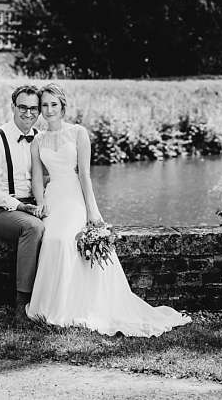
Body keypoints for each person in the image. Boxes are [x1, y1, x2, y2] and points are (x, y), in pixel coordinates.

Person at [26, 84, 192, 337]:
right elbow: (37, 178)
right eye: (44, 105)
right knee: (51, 241)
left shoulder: (78, 133)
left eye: (53, 105)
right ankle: (51, 306)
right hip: (53, 198)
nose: (48, 110)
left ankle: (79, 306)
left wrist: (92, 211)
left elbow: (84, 175)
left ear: (62, 107)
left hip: (74, 197)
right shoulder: (37, 140)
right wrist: (41, 202)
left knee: (65, 240)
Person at [0, 85, 47, 325]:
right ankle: (22, 305)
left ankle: (54, 302)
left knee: (62, 228)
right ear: (13, 107)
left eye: (33, 109)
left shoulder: (41, 139)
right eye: (23, 107)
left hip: (33, 206)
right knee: (34, 228)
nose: (28, 113)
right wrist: (19, 206)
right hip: (0, 210)